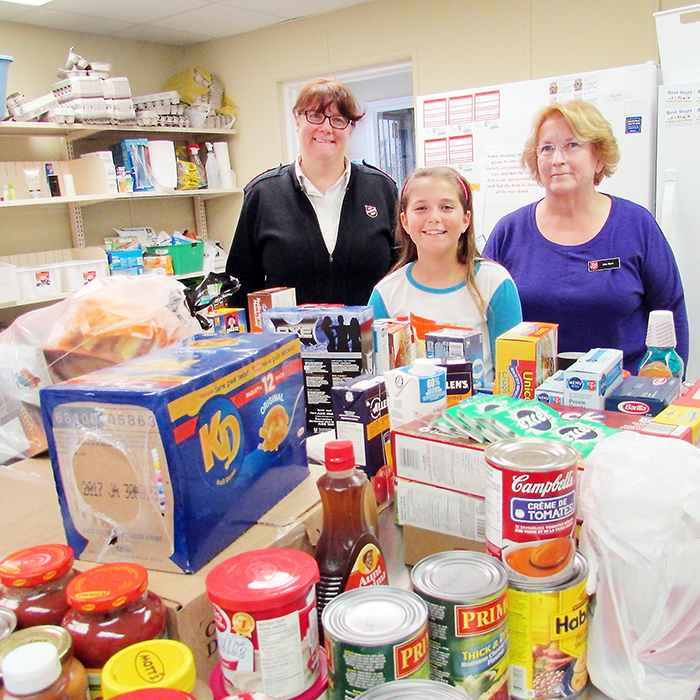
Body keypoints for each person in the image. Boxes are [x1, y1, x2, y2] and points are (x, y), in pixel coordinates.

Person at [483, 100, 689, 374]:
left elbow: (670, 316)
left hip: (623, 399)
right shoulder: (509, 232)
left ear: (599, 157)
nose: (557, 159)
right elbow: (481, 314)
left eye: (572, 145)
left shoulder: (636, 225)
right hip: (531, 399)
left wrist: (667, 388)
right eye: (547, 148)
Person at [225, 77, 398, 307]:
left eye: (338, 120)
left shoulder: (382, 189)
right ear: (297, 120)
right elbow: (239, 287)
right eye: (315, 116)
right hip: (288, 342)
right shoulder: (263, 194)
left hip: (371, 339)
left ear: (351, 128)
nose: (326, 128)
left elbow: (404, 273)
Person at [368, 166, 522, 384]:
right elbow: (377, 382)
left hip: (480, 416)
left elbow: (512, 378)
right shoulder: (386, 293)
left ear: (465, 219)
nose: (434, 217)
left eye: (446, 207)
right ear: (404, 221)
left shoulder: (494, 282)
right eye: (421, 208)